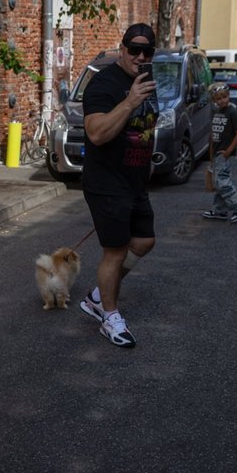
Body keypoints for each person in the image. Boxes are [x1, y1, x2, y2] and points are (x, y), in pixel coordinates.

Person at [78, 23, 159, 348]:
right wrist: (129, 102)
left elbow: (146, 127)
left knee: (145, 241)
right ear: (122, 48)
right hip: (106, 181)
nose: (140, 56)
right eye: (134, 49)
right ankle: (109, 317)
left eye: (147, 51)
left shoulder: (146, 81)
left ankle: (99, 295)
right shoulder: (103, 84)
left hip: (135, 180)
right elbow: (97, 133)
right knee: (115, 250)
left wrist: (148, 163)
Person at [203, 85, 237, 223]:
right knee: (219, 182)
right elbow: (212, 135)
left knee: (222, 182)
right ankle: (220, 211)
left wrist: (228, 151)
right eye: (218, 98)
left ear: (229, 96)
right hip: (216, 153)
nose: (222, 100)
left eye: (225, 97)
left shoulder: (232, 112)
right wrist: (211, 156)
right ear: (214, 100)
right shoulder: (216, 112)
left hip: (225, 154)